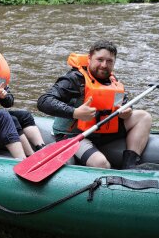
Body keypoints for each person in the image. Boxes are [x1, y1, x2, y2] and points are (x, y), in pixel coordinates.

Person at [37, 40, 152, 169]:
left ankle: (130, 166)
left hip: (103, 130)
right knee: (101, 163)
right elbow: (44, 101)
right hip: (74, 135)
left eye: (109, 61)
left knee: (144, 116)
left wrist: (127, 112)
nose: (104, 65)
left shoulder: (113, 81)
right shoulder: (74, 79)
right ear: (90, 58)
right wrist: (75, 113)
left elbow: (124, 104)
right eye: (100, 59)